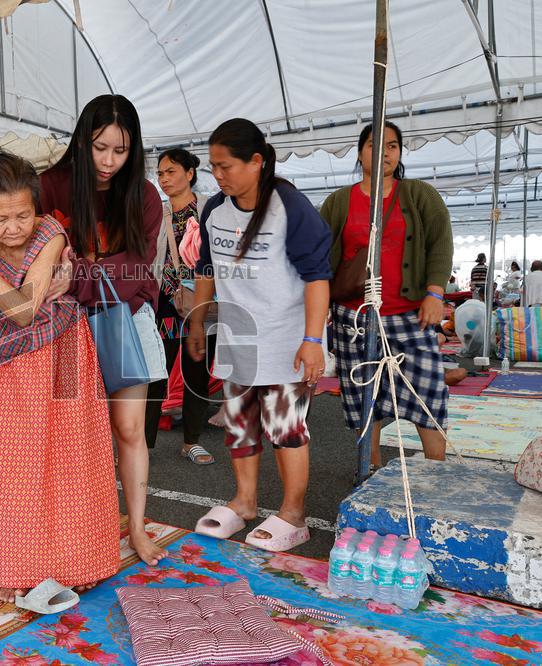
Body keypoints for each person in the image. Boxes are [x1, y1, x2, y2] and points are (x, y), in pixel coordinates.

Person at [0, 153, 119, 603]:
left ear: (36, 208)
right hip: (5, 364)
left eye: (22, 214)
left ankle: (80, 562)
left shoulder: (50, 235)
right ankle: (12, 565)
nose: (14, 227)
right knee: (10, 464)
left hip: (62, 354)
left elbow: (22, 310)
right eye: (0, 218)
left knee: (70, 461)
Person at [186, 119, 330, 552]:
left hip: (285, 339)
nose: (219, 175)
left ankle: (293, 515)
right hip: (236, 338)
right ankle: (245, 503)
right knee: (240, 426)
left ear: (257, 161)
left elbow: (317, 277)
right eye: (213, 167)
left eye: (226, 165)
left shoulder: (290, 207)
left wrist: (313, 340)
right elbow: (206, 269)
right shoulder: (214, 209)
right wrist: (197, 320)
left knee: (286, 428)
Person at [39, 94, 169, 566]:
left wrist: (77, 275)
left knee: (129, 428)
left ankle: (135, 527)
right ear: (82, 141)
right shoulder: (49, 186)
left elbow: (137, 269)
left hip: (124, 320)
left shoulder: (146, 196)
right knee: (73, 435)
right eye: (100, 148)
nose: (110, 162)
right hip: (63, 326)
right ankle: (76, 530)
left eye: (121, 150)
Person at [320, 121, 453, 468]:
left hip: (411, 313)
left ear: (400, 152)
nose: (384, 152)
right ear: (360, 151)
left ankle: (435, 471)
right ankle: (370, 469)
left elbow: (441, 243)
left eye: (392, 146)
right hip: (356, 317)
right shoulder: (339, 202)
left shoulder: (419, 195)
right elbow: (320, 256)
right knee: (367, 397)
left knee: (428, 393)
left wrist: (435, 293)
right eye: (375, 146)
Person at [144, 148, 216, 465]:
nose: (164, 178)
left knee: (195, 371)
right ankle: (143, 445)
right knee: (156, 372)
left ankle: (192, 441)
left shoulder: (210, 211)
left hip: (201, 303)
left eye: (171, 171)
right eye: (160, 173)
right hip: (165, 304)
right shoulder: (155, 212)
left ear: (189, 173)